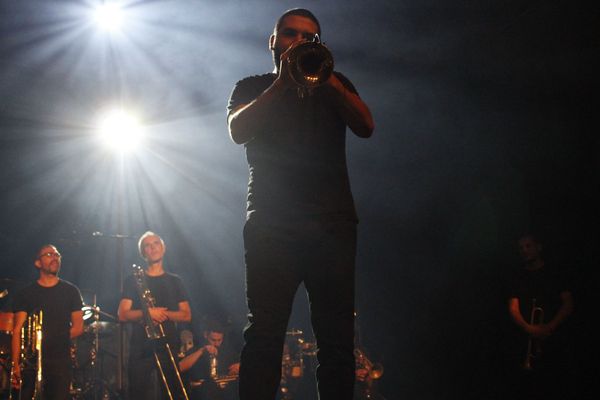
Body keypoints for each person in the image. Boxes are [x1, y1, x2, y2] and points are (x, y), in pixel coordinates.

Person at [227, 8, 374, 400]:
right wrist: (284, 81)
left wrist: (328, 82)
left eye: (307, 37)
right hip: (271, 225)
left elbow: (366, 126)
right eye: (288, 34)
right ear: (273, 43)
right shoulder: (251, 86)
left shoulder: (335, 83)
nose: (297, 41)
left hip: (333, 225)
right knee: (264, 336)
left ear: (319, 44)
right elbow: (237, 131)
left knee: (338, 338)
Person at [118, 231, 192, 400]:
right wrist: (147, 313)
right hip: (140, 347)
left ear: (163, 248)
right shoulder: (133, 280)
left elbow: (186, 315)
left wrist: (161, 314)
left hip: (168, 345)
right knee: (138, 394)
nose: (152, 248)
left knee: (172, 394)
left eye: (156, 243)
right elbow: (122, 314)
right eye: (147, 246)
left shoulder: (175, 281)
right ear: (143, 253)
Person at [10, 244, 84, 399]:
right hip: (31, 363)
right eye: (49, 254)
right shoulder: (26, 294)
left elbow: (78, 327)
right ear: (38, 263)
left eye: (57, 255)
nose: (55, 257)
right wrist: (15, 365)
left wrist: (51, 340)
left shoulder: (71, 291)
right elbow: (17, 330)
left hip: (60, 361)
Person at [507, 234, 575, 400]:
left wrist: (549, 327)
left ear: (539, 247)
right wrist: (529, 328)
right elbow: (513, 307)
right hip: (526, 339)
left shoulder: (555, 272)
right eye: (521, 248)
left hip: (554, 339)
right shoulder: (518, 275)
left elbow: (568, 304)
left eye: (528, 246)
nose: (524, 251)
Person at [179, 320, 240, 400]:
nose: (217, 344)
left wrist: (239, 366)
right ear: (205, 335)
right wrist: (202, 351)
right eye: (213, 340)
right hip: (201, 394)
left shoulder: (227, 351)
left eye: (219, 340)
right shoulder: (196, 350)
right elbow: (180, 367)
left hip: (224, 394)